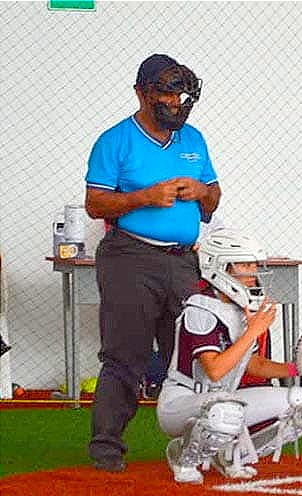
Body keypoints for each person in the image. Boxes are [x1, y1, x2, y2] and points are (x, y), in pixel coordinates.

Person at [84, 53, 221, 472]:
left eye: (181, 94)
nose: (175, 102)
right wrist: (144, 196)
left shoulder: (194, 140)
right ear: (142, 92)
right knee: (126, 354)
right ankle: (107, 448)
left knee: (194, 352)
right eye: (166, 92)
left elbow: (214, 200)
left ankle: (200, 446)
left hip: (183, 263)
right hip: (130, 258)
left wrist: (200, 190)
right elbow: (94, 204)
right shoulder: (115, 140)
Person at [156, 228, 302, 484]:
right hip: (181, 402)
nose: (253, 273)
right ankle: (183, 456)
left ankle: (232, 455)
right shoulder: (199, 308)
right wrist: (254, 331)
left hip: (223, 398)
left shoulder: (239, 308)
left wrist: (298, 370)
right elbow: (214, 370)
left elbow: (254, 365)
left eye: (254, 265)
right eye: (245, 264)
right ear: (220, 267)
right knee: (225, 410)